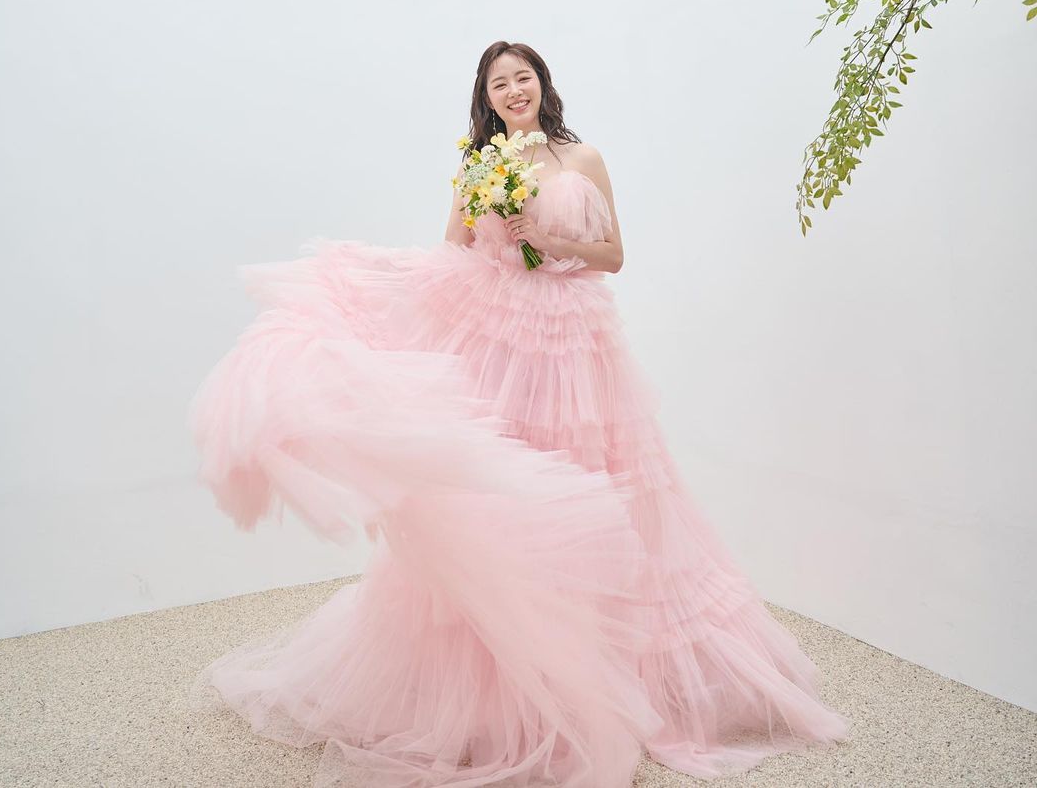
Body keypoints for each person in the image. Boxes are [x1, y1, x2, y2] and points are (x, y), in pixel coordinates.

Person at [186, 40, 850, 787]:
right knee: (505, 494)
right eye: (498, 83)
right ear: (487, 98)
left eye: (522, 77)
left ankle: (611, 674)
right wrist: (406, 273)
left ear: (542, 85)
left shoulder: (583, 157)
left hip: (578, 342)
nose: (512, 90)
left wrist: (548, 239)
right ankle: (509, 688)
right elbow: (455, 251)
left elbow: (613, 255)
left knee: (596, 483)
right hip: (503, 338)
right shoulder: (479, 165)